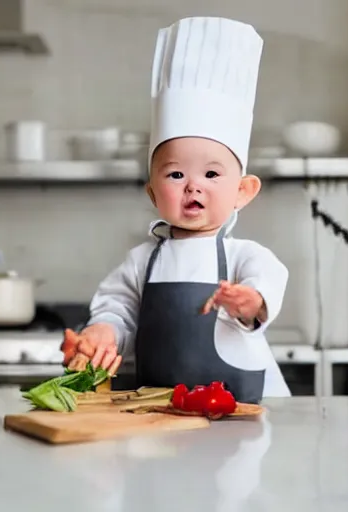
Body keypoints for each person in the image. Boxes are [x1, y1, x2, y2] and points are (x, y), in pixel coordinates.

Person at [61, 16, 291, 403]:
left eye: (212, 173)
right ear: (153, 193)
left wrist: (250, 302)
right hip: (160, 409)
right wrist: (103, 331)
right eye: (176, 173)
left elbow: (265, 283)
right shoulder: (140, 262)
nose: (193, 185)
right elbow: (117, 309)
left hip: (242, 410)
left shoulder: (243, 256)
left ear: (243, 191)